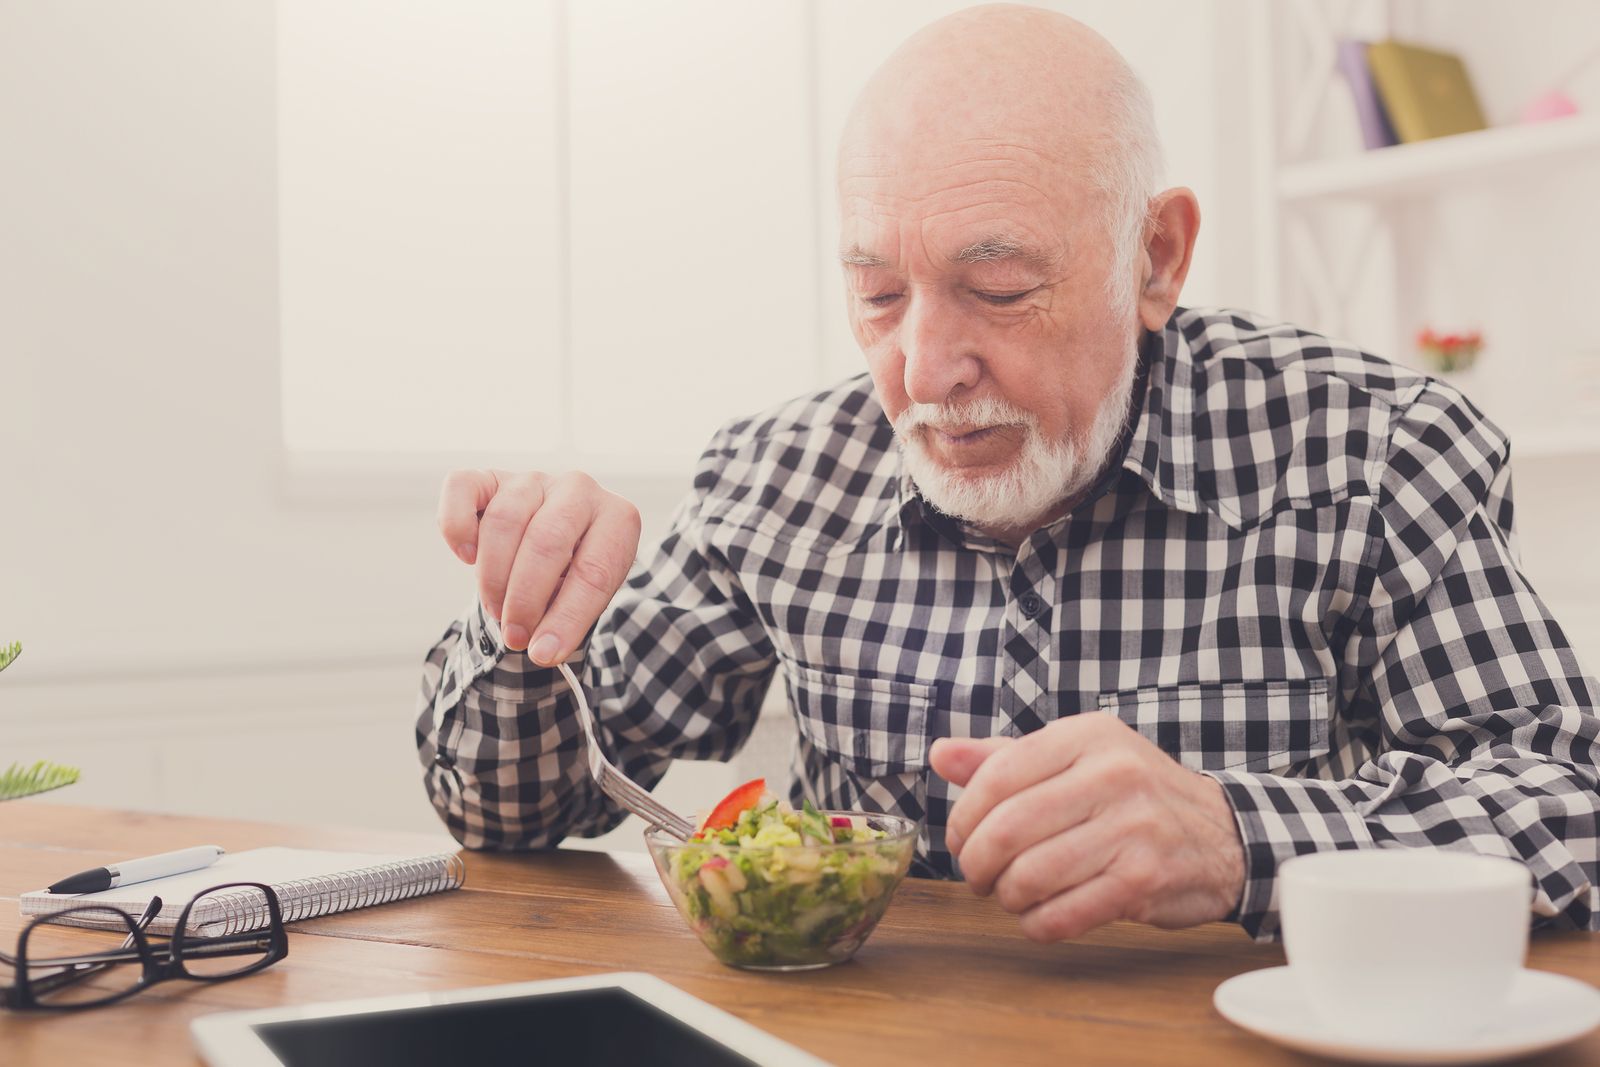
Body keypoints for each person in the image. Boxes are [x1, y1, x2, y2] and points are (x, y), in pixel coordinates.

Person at [416, 4, 1599, 942]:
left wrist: (1240, 836)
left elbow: (1567, 810)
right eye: (876, 293)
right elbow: (514, 814)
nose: (924, 368)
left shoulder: (1370, 449)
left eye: (999, 288)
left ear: (1155, 254)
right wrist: (525, 622)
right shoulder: (776, 475)